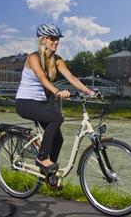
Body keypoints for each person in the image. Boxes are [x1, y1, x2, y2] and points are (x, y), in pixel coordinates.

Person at [15, 23, 95, 175]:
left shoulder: (57, 60)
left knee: (58, 139)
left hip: (40, 103)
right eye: (53, 38)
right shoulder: (33, 58)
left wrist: (89, 91)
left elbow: (71, 77)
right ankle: (42, 157)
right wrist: (57, 92)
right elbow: (42, 78)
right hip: (25, 102)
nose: (56, 42)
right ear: (43, 40)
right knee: (56, 118)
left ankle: (48, 173)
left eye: (58, 39)